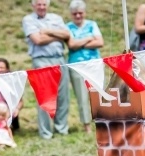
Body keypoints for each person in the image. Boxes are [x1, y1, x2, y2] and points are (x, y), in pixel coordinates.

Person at [23, 0, 71, 140]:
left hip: (60, 59)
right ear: (33, 5)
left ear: (48, 5)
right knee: (44, 97)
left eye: (44, 4)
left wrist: (48, 32)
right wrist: (57, 36)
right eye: (39, 4)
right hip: (41, 60)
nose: (42, 7)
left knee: (62, 96)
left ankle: (61, 129)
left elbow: (67, 35)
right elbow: (38, 40)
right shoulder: (28, 20)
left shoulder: (56, 18)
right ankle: (46, 132)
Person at [66, 1, 103, 134]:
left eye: (80, 13)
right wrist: (89, 38)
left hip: (94, 64)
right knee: (82, 97)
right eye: (75, 13)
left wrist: (79, 43)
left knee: (98, 93)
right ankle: (86, 125)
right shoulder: (67, 27)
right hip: (76, 65)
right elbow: (71, 45)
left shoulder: (92, 24)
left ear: (85, 13)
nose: (78, 16)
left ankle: (101, 120)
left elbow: (100, 42)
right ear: (71, 14)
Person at [0, 58, 23, 132]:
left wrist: (17, 109)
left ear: (7, 69)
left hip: (7, 107)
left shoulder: (13, 81)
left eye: (1, 68)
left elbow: (20, 101)